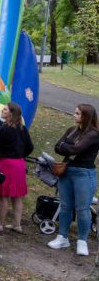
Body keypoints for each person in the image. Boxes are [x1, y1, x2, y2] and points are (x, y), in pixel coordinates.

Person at [48, 103, 99, 256]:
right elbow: (57, 147)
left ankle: (82, 241)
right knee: (65, 206)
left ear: (86, 116)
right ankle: (62, 237)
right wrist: (67, 146)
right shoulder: (72, 131)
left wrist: (66, 146)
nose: (74, 115)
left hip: (84, 173)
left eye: (77, 113)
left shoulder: (94, 134)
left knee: (83, 208)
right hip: (66, 171)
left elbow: (76, 149)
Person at [0, 102, 33, 234]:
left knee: (3, 196)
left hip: (6, 164)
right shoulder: (22, 128)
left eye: (5, 109)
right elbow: (30, 147)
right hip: (19, 164)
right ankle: (17, 224)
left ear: (11, 113)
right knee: (17, 196)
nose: (2, 110)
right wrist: (20, 155)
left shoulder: (3, 129)